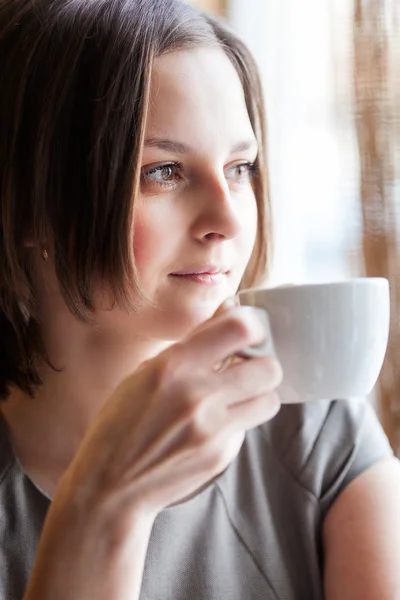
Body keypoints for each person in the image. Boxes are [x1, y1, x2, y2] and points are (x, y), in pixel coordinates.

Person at [0, 0, 399, 598]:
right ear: (33, 206)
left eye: (240, 168)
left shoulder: (315, 428)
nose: (228, 219)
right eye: (162, 172)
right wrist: (104, 507)